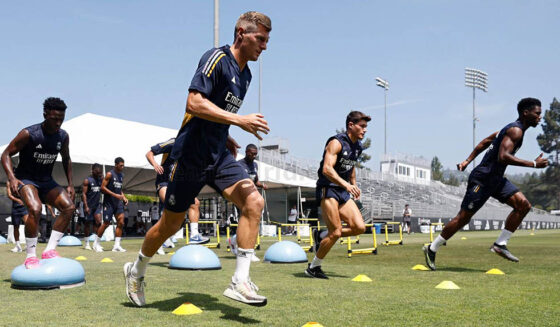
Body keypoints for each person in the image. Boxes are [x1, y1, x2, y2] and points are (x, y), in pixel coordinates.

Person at [124, 11, 272, 307]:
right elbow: (193, 102)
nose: (265, 46)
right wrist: (238, 120)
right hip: (189, 157)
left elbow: (213, 110)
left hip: (218, 157)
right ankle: (136, 270)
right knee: (170, 225)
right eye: (260, 39)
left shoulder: (246, 75)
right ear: (241, 33)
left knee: (254, 201)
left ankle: (239, 281)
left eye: (267, 41)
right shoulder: (215, 59)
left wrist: (226, 130)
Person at [423, 98, 549, 270]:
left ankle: (500, 244)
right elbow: (503, 156)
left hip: (496, 179)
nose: (540, 117)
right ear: (526, 113)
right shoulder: (516, 131)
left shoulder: (510, 129)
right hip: (482, 179)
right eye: (537, 113)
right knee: (463, 218)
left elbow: (485, 142)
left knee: (523, 205)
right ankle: (432, 248)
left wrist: (467, 161)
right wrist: (533, 164)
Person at [0, 97, 76, 268]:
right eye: (54, 119)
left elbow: (67, 158)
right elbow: (5, 155)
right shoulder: (29, 134)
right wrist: (12, 178)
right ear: (45, 114)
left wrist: (70, 184)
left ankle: (49, 250)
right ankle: (30, 256)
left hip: (46, 181)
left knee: (69, 207)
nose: (58, 123)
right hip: (26, 180)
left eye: (61, 119)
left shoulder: (63, 136)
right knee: (34, 209)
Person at [306, 111, 370, 279]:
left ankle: (320, 235)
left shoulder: (358, 147)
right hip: (328, 189)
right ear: (351, 125)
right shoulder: (336, 142)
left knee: (359, 227)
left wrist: (354, 185)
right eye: (362, 126)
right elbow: (327, 169)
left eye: (366, 127)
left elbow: (351, 167)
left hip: (343, 190)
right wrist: (347, 185)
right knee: (335, 232)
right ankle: (313, 267)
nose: (365, 130)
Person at [145, 138, 209, 245]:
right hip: (164, 183)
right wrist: (155, 165)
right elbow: (149, 153)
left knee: (195, 203)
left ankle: (194, 235)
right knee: (173, 205)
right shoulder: (173, 143)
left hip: (179, 184)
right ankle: (159, 238)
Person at [229, 143, 269, 262]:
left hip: (252, 198)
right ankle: (246, 251)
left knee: (253, 221)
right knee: (248, 222)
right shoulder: (239, 165)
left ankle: (235, 241)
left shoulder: (255, 165)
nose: (254, 156)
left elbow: (255, 180)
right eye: (252, 154)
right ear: (247, 152)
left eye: (256, 154)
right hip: (241, 198)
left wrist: (262, 185)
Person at [95, 157, 128, 252]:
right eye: (121, 165)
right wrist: (115, 195)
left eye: (123, 165)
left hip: (118, 203)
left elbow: (119, 189)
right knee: (106, 223)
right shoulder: (109, 174)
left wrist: (124, 197)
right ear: (116, 164)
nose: (122, 167)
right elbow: (102, 188)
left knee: (121, 222)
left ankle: (116, 246)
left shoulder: (122, 175)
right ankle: (96, 244)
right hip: (109, 203)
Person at [82, 163, 103, 250]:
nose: (99, 174)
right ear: (93, 171)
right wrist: (86, 206)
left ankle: (96, 243)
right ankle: (87, 243)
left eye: (100, 173)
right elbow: (83, 194)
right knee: (87, 224)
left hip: (97, 205)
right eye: (97, 173)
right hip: (89, 205)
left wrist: (102, 178)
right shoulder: (87, 180)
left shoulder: (100, 180)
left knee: (98, 222)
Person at [6, 180, 28, 253]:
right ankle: (18, 246)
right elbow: (9, 195)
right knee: (16, 227)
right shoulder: (9, 182)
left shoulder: (23, 181)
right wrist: (18, 200)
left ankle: (28, 245)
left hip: (24, 207)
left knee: (28, 224)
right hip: (15, 208)